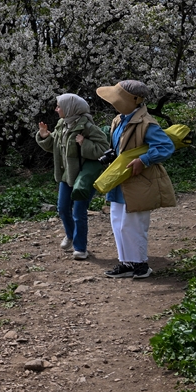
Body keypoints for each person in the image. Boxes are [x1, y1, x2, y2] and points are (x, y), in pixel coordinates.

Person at [95, 80, 177, 279]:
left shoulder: (146, 123)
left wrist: (145, 160)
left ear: (135, 100)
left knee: (134, 225)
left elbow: (166, 147)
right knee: (118, 223)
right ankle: (126, 263)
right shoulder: (119, 120)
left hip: (138, 183)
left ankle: (140, 264)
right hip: (121, 181)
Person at [36, 93, 110, 260]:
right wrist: (44, 136)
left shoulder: (87, 127)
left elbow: (104, 147)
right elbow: (55, 145)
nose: (56, 109)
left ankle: (80, 248)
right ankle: (70, 235)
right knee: (63, 208)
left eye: (59, 106)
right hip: (66, 176)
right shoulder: (62, 124)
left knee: (79, 212)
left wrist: (84, 143)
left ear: (70, 108)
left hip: (83, 178)